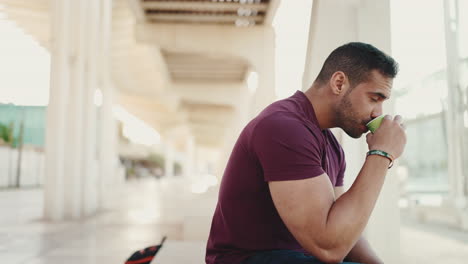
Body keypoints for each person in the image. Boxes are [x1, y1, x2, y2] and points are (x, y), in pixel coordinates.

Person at [205, 42, 406, 264]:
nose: (377, 114)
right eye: (374, 99)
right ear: (339, 83)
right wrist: (381, 153)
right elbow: (329, 247)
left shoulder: (331, 146)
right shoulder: (283, 127)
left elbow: (344, 231)